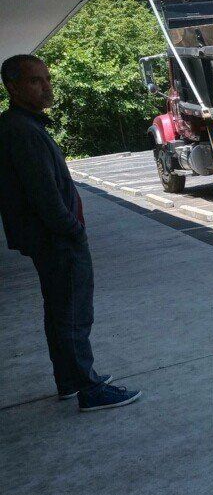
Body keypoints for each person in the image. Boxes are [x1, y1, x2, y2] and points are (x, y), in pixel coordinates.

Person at [0, 55, 140, 411]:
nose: (46, 87)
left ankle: (69, 381)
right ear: (13, 87)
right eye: (36, 81)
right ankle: (88, 389)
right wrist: (72, 229)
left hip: (48, 238)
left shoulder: (22, 125)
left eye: (47, 78)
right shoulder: (22, 131)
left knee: (60, 310)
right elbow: (43, 193)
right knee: (74, 314)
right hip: (56, 239)